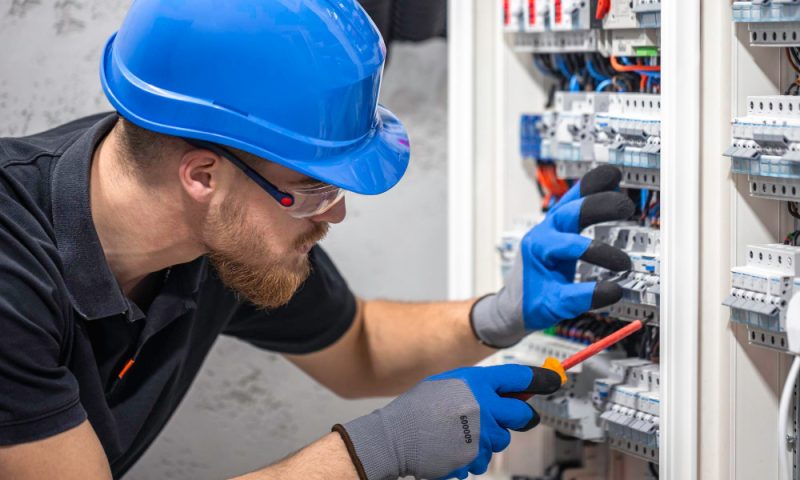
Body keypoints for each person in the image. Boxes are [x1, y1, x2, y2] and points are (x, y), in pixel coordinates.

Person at [0, 1, 634, 479]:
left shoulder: (217, 236)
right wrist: (374, 450)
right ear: (201, 176)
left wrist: (498, 315)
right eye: (311, 188)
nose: (334, 217)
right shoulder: (11, 272)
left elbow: (356, 346)